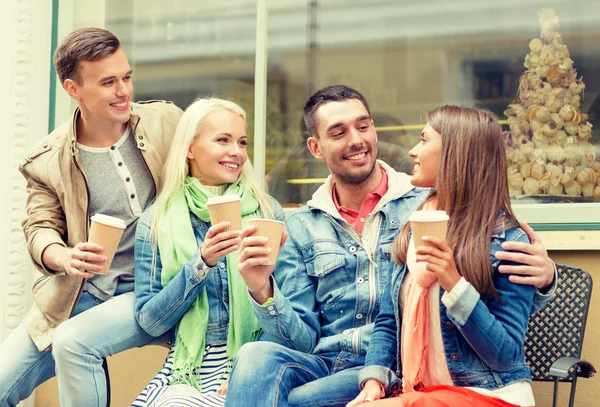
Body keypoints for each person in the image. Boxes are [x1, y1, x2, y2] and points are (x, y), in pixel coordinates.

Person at [224, 85, 556, 407]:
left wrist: (545, 278)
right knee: (253, 358)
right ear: (316, 147)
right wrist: (261, 290)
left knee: (295, 401)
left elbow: (490, 266)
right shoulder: (304, 225)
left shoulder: (415, 206)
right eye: (338, 133)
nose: (357, 140)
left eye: (364, 126)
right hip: (331, 362)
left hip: (404, 367)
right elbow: (304, 338)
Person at [0, 28, 183, 407]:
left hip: (156, 287)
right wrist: (62, 256)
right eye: (108, 82)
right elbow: (40, 226)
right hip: (80, 294)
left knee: (75, 345)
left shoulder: (166, 122)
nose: (124, 92)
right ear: (72, 88)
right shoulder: (46, 160)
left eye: (127, 77)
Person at [347, 105, 537, 407]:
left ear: (454, 153)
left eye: (423, 140)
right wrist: (374, 380)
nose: (412, 151)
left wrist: (454, 283)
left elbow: (505, 355)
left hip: (489, 395)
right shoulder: (414, 226)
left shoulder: (508, 243)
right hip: (422, 393)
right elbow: (387, 322)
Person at [131, 98, 285, 407]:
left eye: (241, 142)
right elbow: (150, 321)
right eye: (223, 140)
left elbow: (292, 310)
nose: (237, 152)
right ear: (189, 148)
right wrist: (201, 264)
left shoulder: (268, 211)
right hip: (189, 367)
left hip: (259, 357)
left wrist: (250, 369)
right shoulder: (158, 219)